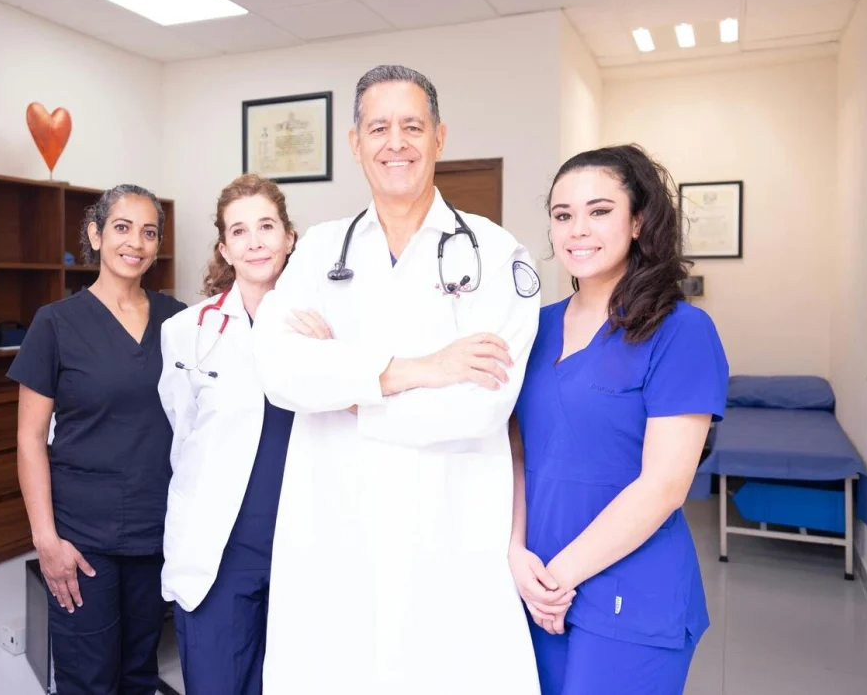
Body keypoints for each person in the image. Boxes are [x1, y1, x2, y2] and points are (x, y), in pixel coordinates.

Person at [250, 64, 543, 694]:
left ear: (440, 137)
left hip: (448, 530)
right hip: (335, 528)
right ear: (355, 144)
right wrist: (421, 370)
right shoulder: (318, 252)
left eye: (412, 126)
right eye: (378, 127)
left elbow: (478, 409)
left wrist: (345, 387)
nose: (396, 142)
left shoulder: (496, 255)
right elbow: (278, 371)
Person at [509, 145, 730, 695]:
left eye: (600, 210)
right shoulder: (531, 329)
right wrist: (514, 553)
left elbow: (664, 487)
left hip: (628, 593)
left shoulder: (681, 332)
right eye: (563, 215)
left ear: (638, 221)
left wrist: (558, 580)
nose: (577, 229)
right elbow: (513, 451)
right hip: (531, 583)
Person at [9, 185, 186, 695]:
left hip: (157, 528)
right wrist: (46, 539)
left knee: (138, 672)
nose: (136, 242)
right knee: (89, 678)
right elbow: (29, 439)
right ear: (95, 234)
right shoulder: (56, 324)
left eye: (149, 232)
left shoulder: (178, 320)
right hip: (82, 539)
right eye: (122, 227)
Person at [157, 175, 297, 695]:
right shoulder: (187, 330)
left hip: (301, 540)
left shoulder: (324, 327)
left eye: (266, 226)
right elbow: (183, 431)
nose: (255, 241)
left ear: (289, 236)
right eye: (240, 231)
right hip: (220, 548)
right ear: (224, 247)